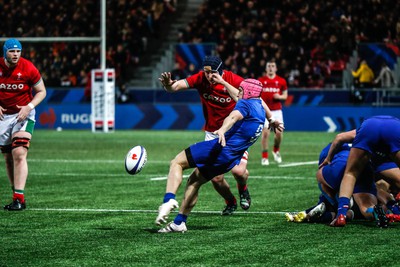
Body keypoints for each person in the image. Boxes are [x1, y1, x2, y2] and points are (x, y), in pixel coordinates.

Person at [157, 79, 284, 233]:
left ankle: (168, 200)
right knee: (194, 181)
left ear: (249, 92)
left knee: (177, 162)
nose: (239, 92)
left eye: (242, 90)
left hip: (218, 149)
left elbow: (232, 117)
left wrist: (223, 129)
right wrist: (271, 119)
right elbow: (260, 104)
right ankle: (179, 222)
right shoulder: (259, 108)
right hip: (230, 159)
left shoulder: (245, 104)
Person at [157, 56, 251, 217]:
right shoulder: (200, 78)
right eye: (206, 72)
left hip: (235, 133)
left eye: (212, 72)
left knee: (239, 172)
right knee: (216, 178)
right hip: (212, 134)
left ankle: (243, 189)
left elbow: (245, 100)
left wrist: (222, 82)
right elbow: (176, 86)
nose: (208, 76)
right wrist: (168, 85)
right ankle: (230, 201)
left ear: (220, 71)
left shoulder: (233, 79)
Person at [320, 116, 400, 227]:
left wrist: (328, 159)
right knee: (373, 194)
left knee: (350, 174)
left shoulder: (363, 134)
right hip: (393, 131)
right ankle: (395, 209)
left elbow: (339, 137)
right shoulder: (383, 161)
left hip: (369, 129)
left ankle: (341, 215)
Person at [0, 38, 47, 210]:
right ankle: (15, 195)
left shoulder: (28, 68)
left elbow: (42, 91)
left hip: (23, 115)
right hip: (3, 118)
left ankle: (19, 198)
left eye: (18, 51)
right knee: (8, 158)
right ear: (5, 52)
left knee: (19, 153)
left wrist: (29, 106)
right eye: (12, 51)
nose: (15, 54)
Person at [258, 60, 288, 166]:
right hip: (265, 111)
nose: (271, 68)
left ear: (276, 68)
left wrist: (279, 97)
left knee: (279, 133)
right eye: (269, 66)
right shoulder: (260, 81)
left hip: (277, 111)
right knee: (265, 133)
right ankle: (264, 157)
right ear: (266, 68)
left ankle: (276, 150)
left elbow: (285, 95)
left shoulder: (281, 81)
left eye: (272, 66)